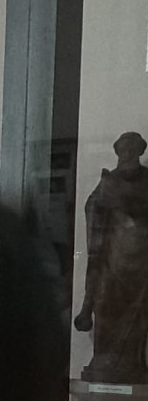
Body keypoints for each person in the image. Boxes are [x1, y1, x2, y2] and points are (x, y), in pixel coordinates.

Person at [74, 130, 148, 382]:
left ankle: (131, 364)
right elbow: (91, 205)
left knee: (138, 315)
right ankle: (103, 358)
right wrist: (101, 203)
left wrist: (126, 202)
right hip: (111, 256)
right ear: (117, 151)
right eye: (123, 149)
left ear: (140, 151)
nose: (127, 153)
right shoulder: (108, 181)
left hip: (140, 261)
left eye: (132, 148)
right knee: (104, 302)